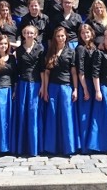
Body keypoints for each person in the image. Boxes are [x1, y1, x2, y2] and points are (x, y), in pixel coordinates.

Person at [42, 26, 79, 155]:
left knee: (66, 116)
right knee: (52, 116)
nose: (60, 38)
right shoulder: (50, 51)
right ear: (55, 38)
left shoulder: (71, 52)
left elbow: (74, 73)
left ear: (66, 37)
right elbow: (46, 73)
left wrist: (75, 89)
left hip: (66, 87)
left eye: (62, 36)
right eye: (58, 36)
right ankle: (52, 147)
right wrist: (45, 90)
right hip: (52, 86)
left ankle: (68, 147)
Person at [12, 26, 45, 156]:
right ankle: (22, 146)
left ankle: (34, 145)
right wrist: (15, 88)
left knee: (34, 113)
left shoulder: (40, 49)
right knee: (22, 113)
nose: (29, 34)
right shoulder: (19, 50)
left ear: (35, 34)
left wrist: (43, 86)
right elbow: (17, 70)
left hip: (36, 84)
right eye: (26, 32)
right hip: (23, 84)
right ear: (23, 34)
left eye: (31, 33)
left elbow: (42, 69)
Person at [75, 24, 97, 154]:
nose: (86, 35)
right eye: (83, 33)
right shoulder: (80, 48)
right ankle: (84, 145)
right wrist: (85, 89)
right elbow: (80, 70)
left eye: (87, 33)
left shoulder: (95, 47)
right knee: (85, 115)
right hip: (86, 83)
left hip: (94, 82)